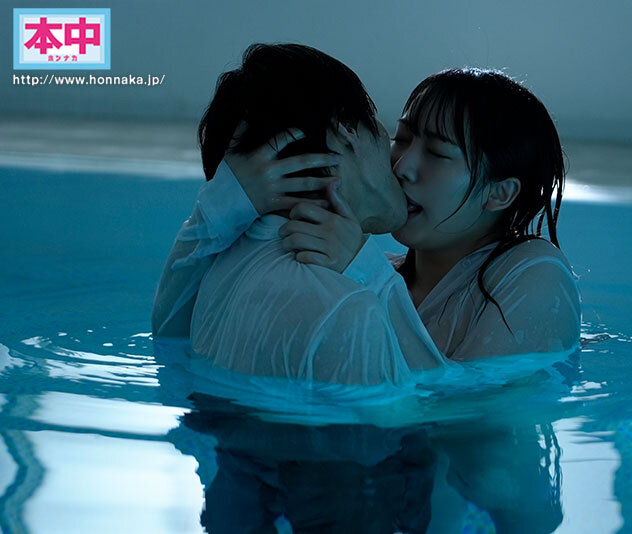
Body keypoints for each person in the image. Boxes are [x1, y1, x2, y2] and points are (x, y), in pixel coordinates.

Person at [152, 43, 447, 386]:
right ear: (346, 132)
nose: (401, 163)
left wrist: (216, 209)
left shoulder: (216, 269)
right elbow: (431, 413)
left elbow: (167, 340)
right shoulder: (349, 311)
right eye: (395, 136)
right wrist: (374, 277)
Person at [282, 68, 582, 361]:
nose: (401, 167)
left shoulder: (535, 272)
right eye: (401, 139)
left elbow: (472, 394)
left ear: (498, 193)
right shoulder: (380, 269)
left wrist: (362, 271)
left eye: (437, 153)